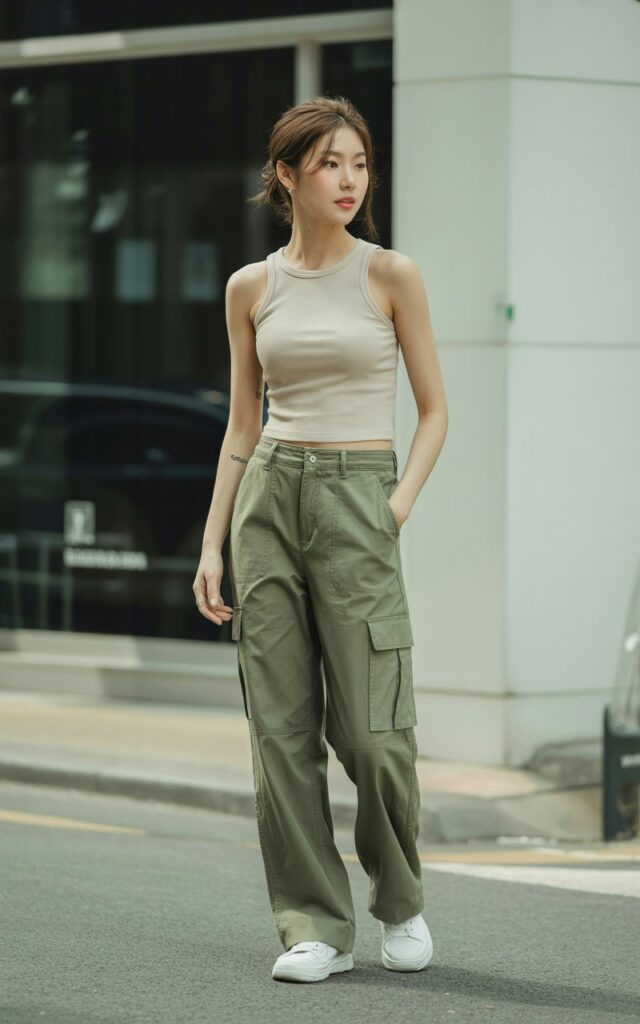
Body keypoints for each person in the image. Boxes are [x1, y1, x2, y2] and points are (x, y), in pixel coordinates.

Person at [193, 95, 448, 983]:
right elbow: (238, 425)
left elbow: (434, 411)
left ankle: (401, 904)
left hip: (358, 499)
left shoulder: (390, 274)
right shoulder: (251, 287)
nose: (350, 180)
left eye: (361, 163)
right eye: (332, 163)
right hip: (269, 492)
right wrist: (213, 542)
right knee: (280, 731)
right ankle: (315, 925)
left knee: (375, 729)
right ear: (287, 175)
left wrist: (397, 504)